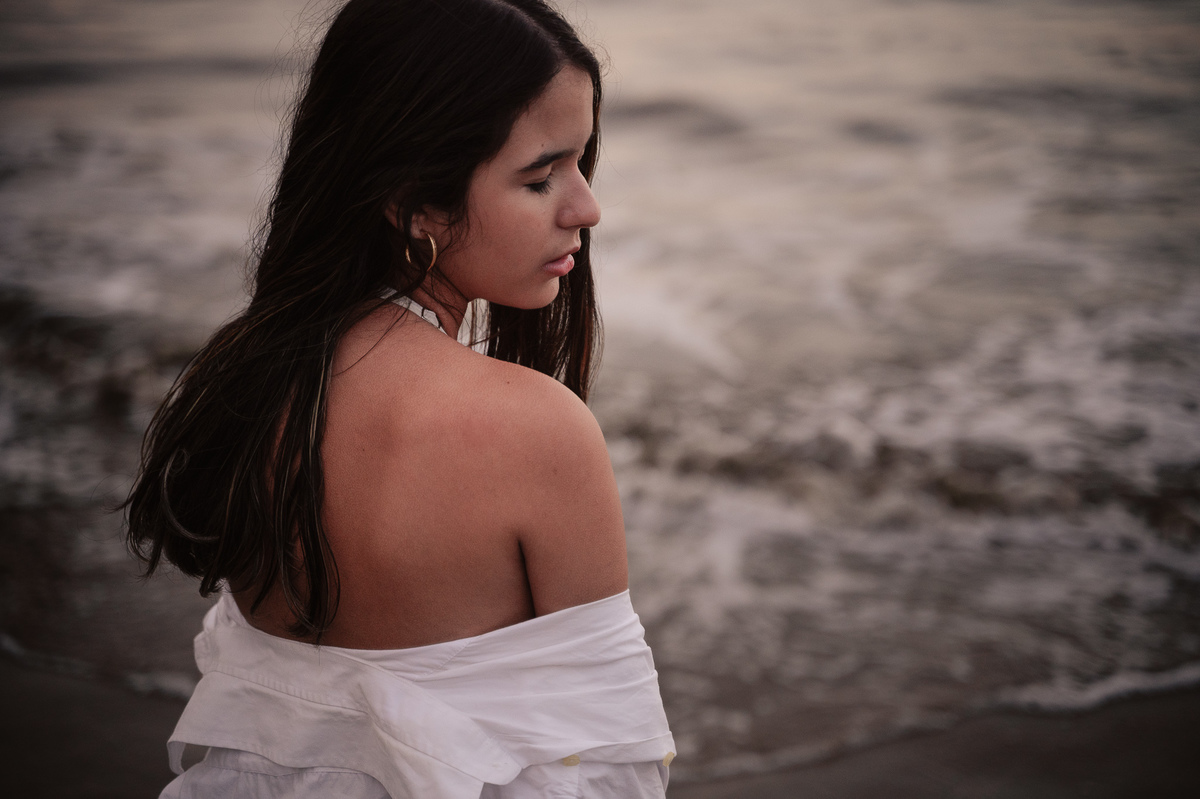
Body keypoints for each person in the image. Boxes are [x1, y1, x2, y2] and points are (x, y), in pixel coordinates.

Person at [122, 0, 675, 796]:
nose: (585, 207)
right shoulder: (536, 429)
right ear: (414, 201)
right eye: (540, 175)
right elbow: (617, 770)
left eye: (582, 162)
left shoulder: (244, 381)